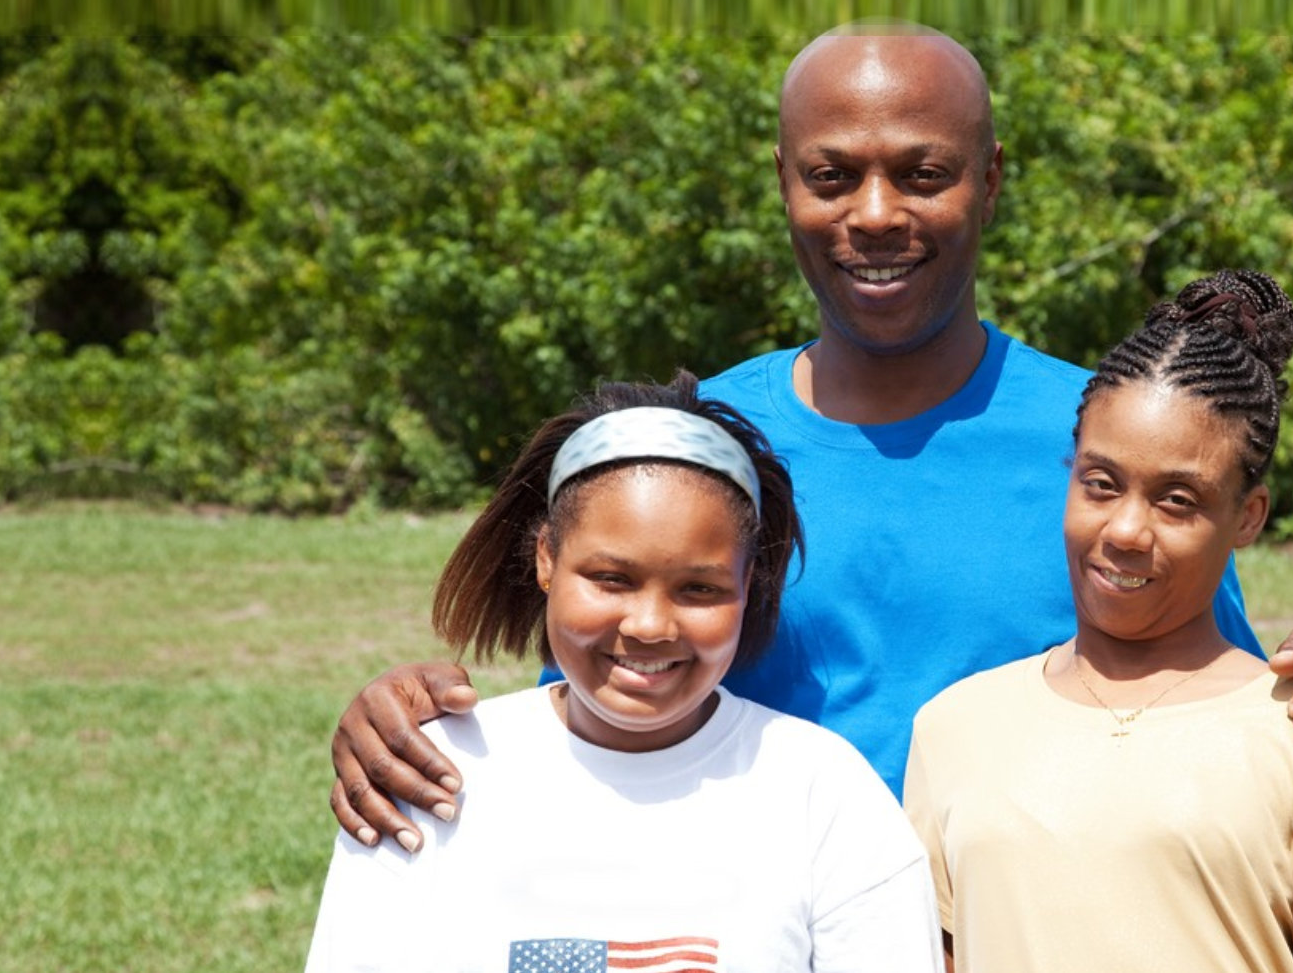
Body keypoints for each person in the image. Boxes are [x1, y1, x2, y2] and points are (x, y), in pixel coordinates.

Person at [328, 25, 1293, 853]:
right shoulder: (696, 448)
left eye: (924, 172)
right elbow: (598, 701)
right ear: (785, 185)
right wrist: (413, 726)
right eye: (832, 174)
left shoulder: (1110, 449)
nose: (877, 211)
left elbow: (1221, 697)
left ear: (989, 181)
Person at [304, 375, 942, 972]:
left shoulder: (824, 792)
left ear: (750, 585)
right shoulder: (434, 769)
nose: (649, 625)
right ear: (547, 559)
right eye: (612, 578)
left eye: (699, 588)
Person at [903, 271, 1293, 972]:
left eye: (1177, 500)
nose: (1124, 530)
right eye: (1100, 483)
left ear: (1248, 516)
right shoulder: (954, 726)